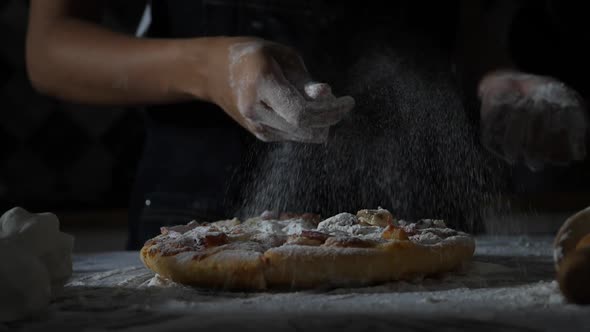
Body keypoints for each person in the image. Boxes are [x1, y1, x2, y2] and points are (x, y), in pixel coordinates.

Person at [26, 1, 587, 249]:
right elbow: (51, 45)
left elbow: (465, 31)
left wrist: (496, 81)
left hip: (420, 225)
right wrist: (212, 68)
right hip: (203, 224)